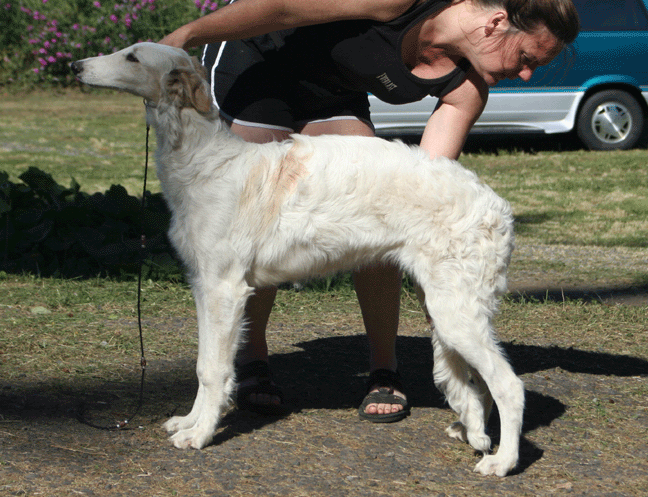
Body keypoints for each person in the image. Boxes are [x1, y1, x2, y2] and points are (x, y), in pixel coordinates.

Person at [160, 0, 579, 422]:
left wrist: (448, 291)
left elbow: (421, 204)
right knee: (255, 215)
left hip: (333, 88)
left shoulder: (467, 88)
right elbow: (283, 8)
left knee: (383, 214)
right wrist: (186, 35)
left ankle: (384, 367)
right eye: (526, 58)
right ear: (495, 23)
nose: (525, 74)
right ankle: (253, 361)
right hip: (259, 59)